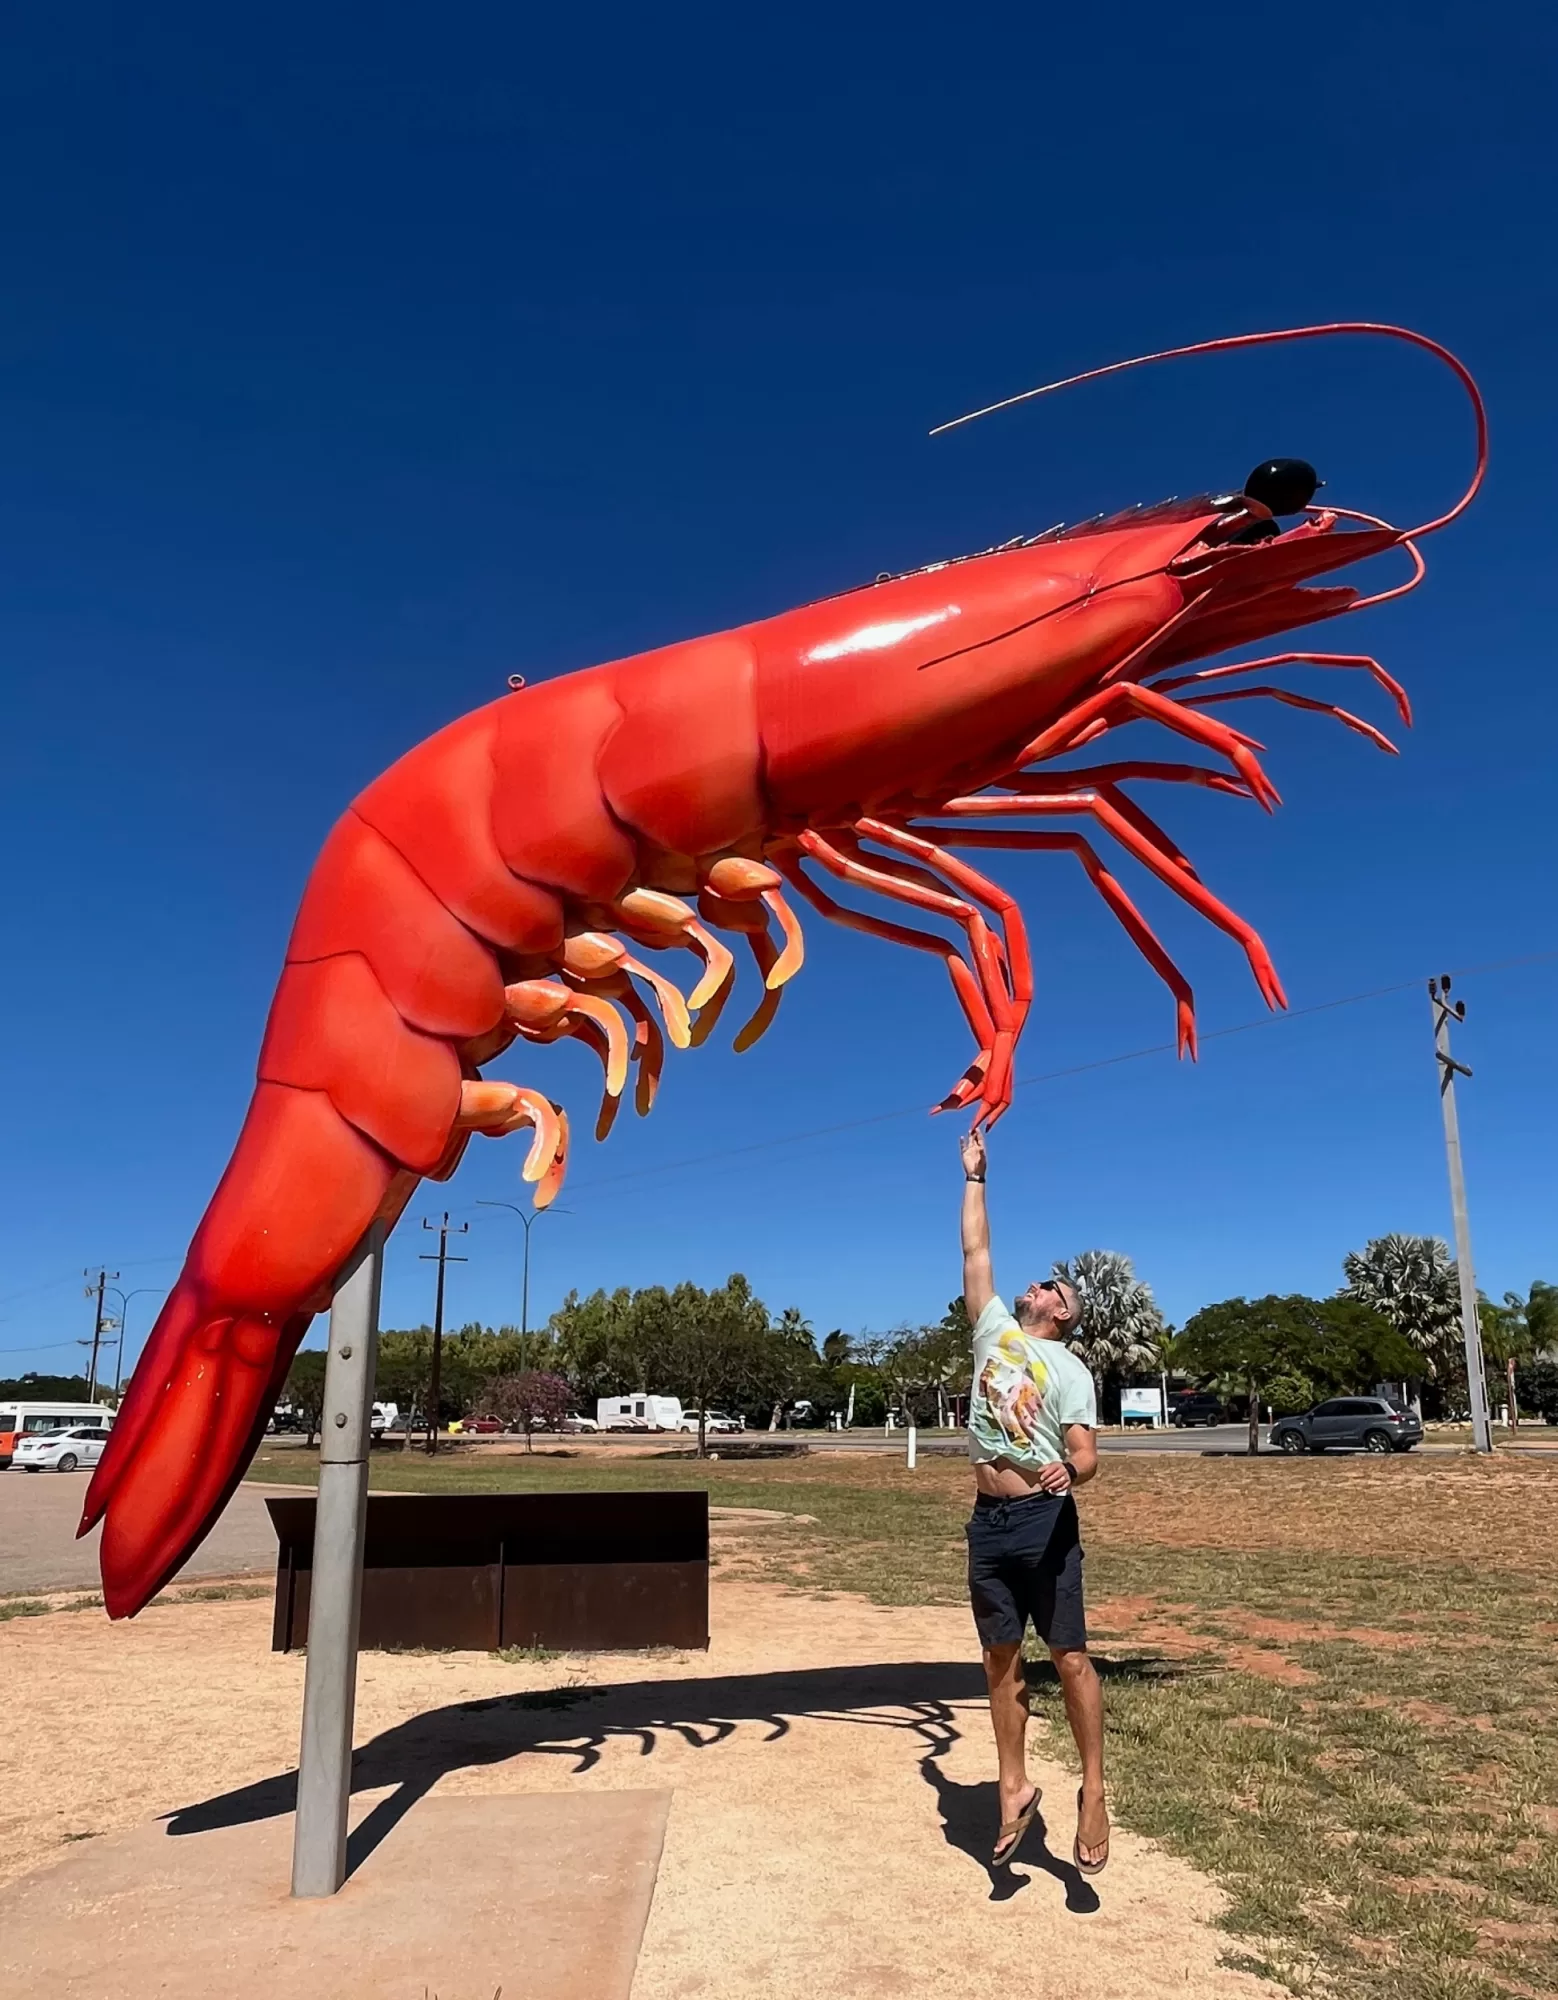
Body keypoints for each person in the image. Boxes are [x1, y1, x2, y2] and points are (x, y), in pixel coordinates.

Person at [959, 1125, 1109, 1874]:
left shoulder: (1070, 1369)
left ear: (1062, 1314)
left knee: (1071, 1655)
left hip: (1045, 1521)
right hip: (987, 1521)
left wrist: (1068, 1473)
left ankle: (1093, 1788)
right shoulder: (992, 1330)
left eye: (1053, 1287)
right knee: (998, 1658)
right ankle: (1013, 1785)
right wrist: (976, 1176)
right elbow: (975, 1253)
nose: (1037, 1285)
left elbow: (1086, 1453)